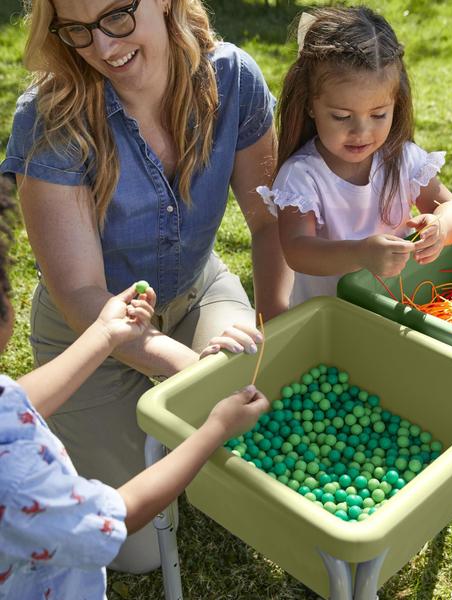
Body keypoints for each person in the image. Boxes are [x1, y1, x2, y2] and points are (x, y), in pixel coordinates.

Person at [0, 0, 291, 572]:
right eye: (77, 31)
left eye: (117, 16)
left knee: (248, 422)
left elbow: (268, 221)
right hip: (90, 336)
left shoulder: (233, 79)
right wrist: (191, 367)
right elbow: (84, 295)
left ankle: (182, 437)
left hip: (195, 294)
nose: (104, 48)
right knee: (137, 554)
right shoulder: (50, 116)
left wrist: (276, 324)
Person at [0, 178, 270, 599]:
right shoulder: (18, 479)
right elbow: (116, 516)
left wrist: (104, 333)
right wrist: (213, 430)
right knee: (138, 552)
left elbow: (15, 400)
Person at [258, 7, 452, 307]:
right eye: (342, 116)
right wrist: (360, 253)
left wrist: (441, 227)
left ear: (396, 103)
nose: (361, 131)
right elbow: (297, 251)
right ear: (310, 106)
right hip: (331, 318)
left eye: (378, 114)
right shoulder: (303, 176)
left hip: (395, 307)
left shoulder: (402, 159)